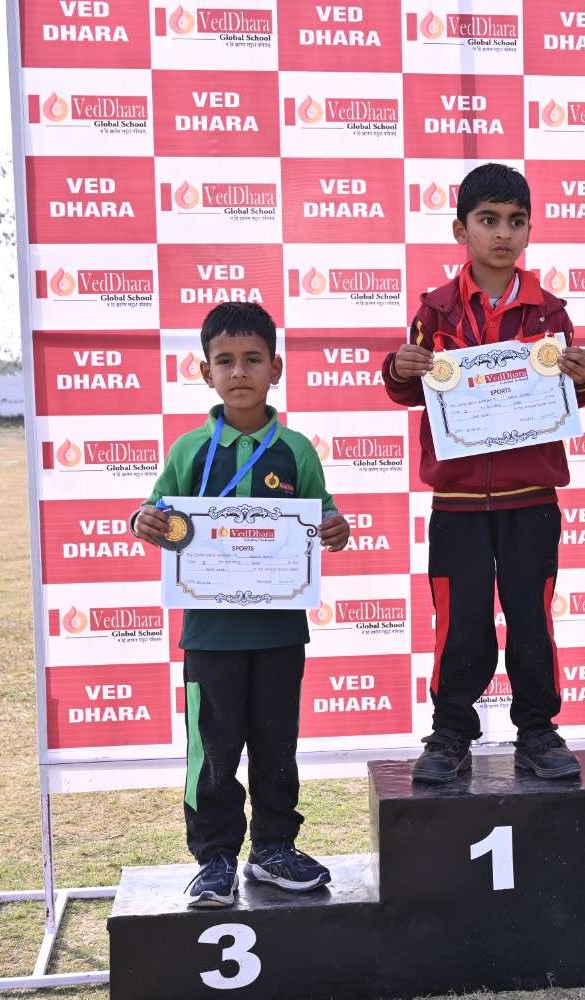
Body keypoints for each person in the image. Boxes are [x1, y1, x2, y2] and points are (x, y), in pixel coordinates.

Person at [382, 163, 585, 783]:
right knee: (459, 622)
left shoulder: (550, 313)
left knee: (532, 618)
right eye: (488, 220)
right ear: (461, 230)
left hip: (532, 497)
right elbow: (408, 389)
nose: (503, 233)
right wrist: (400, 367)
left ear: (529, 229)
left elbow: (569, 394)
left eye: (515, 221)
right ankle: (451, 730)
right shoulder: (435, 310)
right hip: (456, 500)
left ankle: (538, 730)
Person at [130, 301, 352, 908]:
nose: (239, 372)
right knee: (213, 750)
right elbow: (154, 512)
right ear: (206, 372)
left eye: (253, 359)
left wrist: (336, 528)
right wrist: (143, 519)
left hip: (280, 634)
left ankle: (274, 848)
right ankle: (215, 859)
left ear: (275, 368)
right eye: (224, 361)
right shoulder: (189, 450)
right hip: (210, 635)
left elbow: (324, 515)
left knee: (277, 747)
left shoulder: (296, 450)